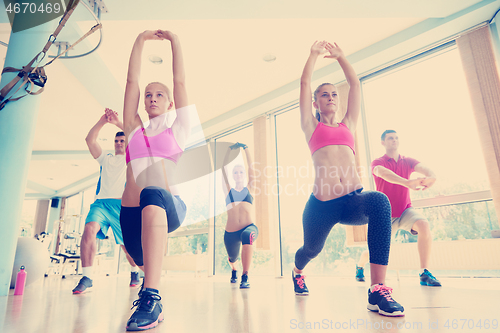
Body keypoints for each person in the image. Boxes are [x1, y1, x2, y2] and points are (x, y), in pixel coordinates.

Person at [293, 40, 404, 317]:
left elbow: (354, 85)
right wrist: (313, 54)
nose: (331, 97)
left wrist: (342, 57)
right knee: (311, 249)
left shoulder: (349, 125)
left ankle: (378, 289)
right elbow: (305, 83)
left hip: (353, 201)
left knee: (379, 201)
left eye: (333, 94)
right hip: (321, 206)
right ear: (315, 103)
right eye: (324, 95)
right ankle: (297, 271)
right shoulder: (311, 126)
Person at [120, 29, 191, 331]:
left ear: (170, 104)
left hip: (168, 204)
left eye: (159, 95)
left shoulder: (178, 130)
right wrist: (139, 40)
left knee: (151, 191)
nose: (151, 98)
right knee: (139, 260)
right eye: (148, 95)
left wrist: (175, 41)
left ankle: (152, 297)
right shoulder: (134, 129)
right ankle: (149, 290)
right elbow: (131, 82)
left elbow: (180, 83)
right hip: (132, 212)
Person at [355, 130, 441, 287]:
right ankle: (360, 266)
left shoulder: (407, 160)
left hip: (405, 210)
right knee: (372, 252)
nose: (394, 140)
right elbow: (384, 173)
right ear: (383, 142)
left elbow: (425, 169)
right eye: (390, 138)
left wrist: (432, 177)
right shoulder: (377, 162)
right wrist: (407, 183)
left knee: (423, 224)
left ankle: (424, 273)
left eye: (396, 138)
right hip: (385, 215)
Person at [72, 109, 140, 294]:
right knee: (89, 230)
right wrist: (102, 121)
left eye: (122, 141)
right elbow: (90, 140)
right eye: (116, 141)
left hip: (121, 206)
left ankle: (135, 271)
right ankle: (87, 277)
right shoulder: (105, 159)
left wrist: (119, 123)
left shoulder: (131, 159)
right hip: (100, 204)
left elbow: (137, 136)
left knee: (127, 247)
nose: (119, 143)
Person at [221, 142, 259, 288]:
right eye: (235, 172)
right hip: (230, 233)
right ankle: (235, 270)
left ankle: (245, 276)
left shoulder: (250, 188)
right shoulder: (228, 190)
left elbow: (251, 168)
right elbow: (223, 170)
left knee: (247, 236)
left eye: (240, 172)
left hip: (249, 227)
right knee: (232, 258)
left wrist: (246, 149)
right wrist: (229, 151)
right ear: (233, 176)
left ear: (244, 175)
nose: (238, 174)